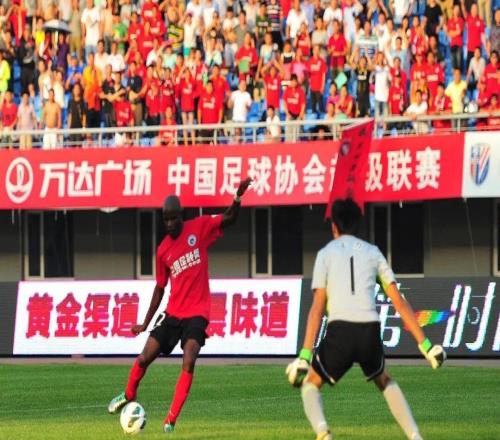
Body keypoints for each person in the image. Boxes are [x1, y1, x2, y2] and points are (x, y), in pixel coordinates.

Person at [287, 198, 446, 440]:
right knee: (384, 379)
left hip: (340, 330)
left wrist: (304, 356)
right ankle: (415, 436)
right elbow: (399, 302)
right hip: (369, 330)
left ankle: (323, 432)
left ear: (333, 226)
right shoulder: (373, 253)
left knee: (310, 383)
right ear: (358, 225)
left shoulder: (325, 254)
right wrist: (426, 346)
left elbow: (317, 308)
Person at [108, 178, 253, 434]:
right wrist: (145, 322)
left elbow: (229, 218)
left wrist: (238, 196)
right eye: (165, 220)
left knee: (189, 359)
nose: (170, 224)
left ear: (181, 216)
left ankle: (170, 420)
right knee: (144, 357)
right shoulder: (163, 250)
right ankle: (129, 394)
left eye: (173, 218)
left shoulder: (199, 227)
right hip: (173, 313)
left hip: (197, 314)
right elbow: (160, 287)